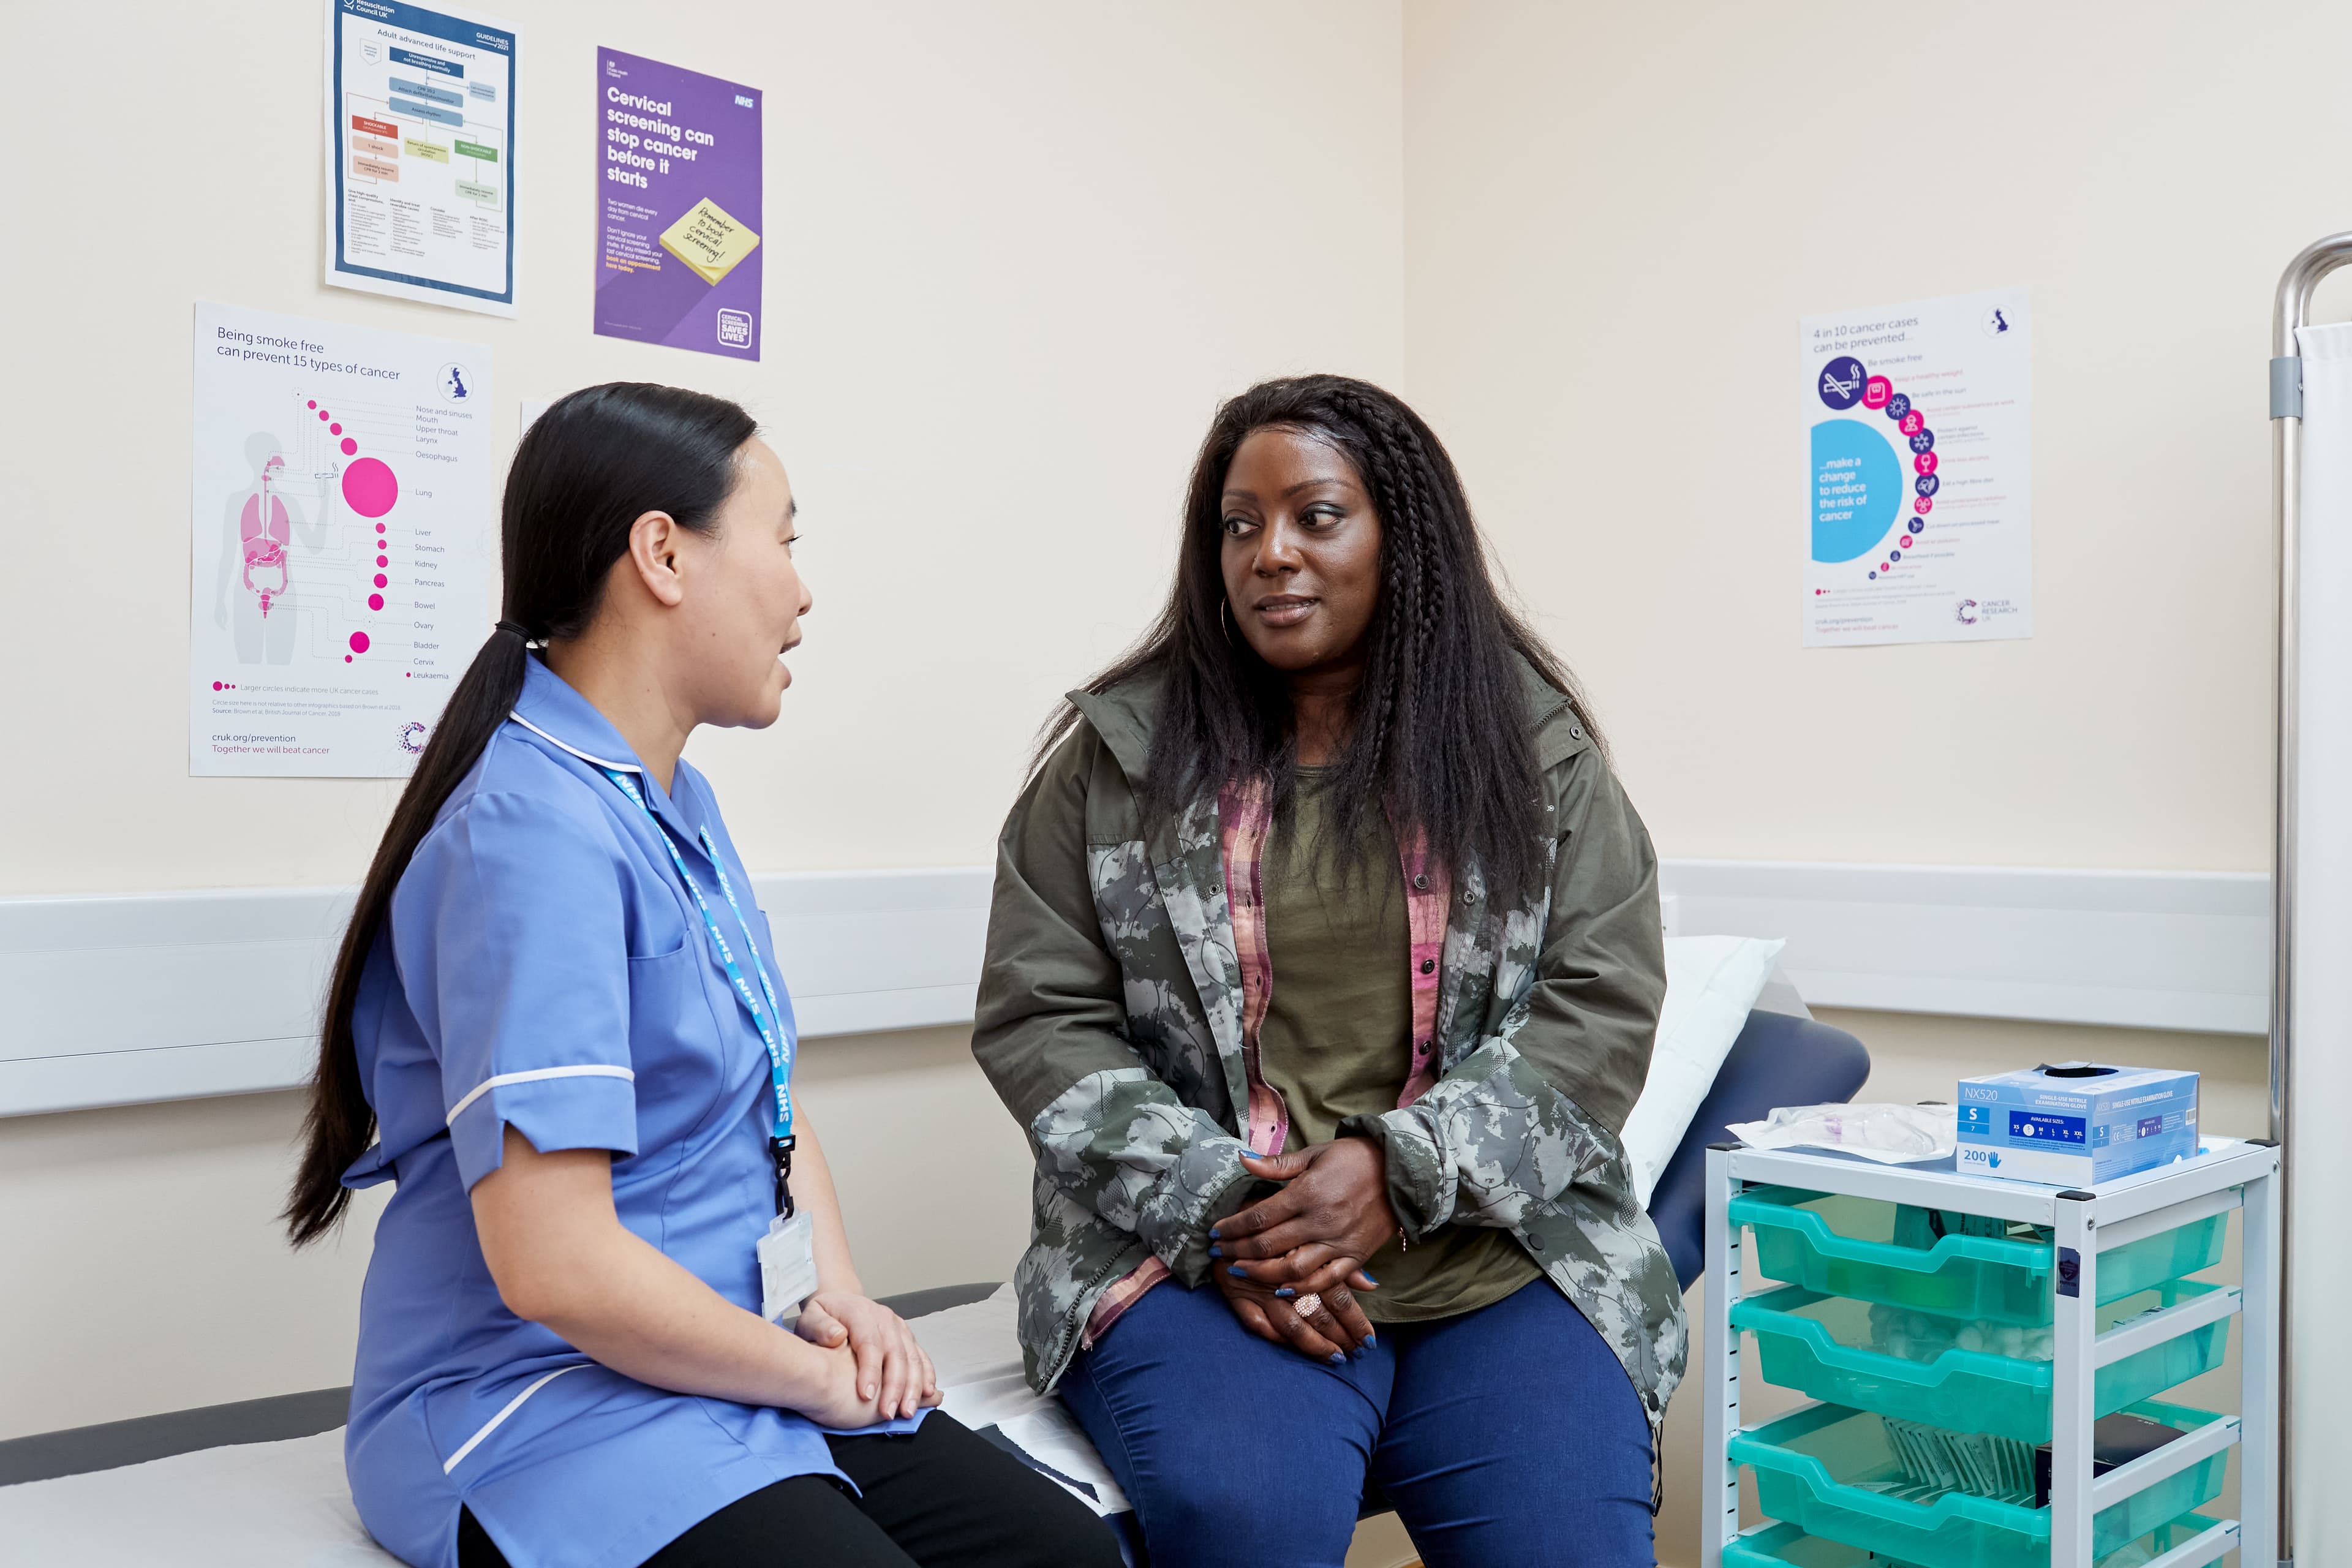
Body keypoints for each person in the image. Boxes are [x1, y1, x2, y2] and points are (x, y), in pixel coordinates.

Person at [283, 383, 1118, 1568]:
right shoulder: (528, 836)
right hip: (546, 1402)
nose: (803, 588)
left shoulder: (671, 800)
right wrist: (811, 1381)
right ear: (664, 556)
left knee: (1067, 1557)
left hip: (723, 1358)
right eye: (782, 540)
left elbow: (765, 1098)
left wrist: (844, 1303)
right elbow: (554, 1264)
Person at [974, 375, 1686, 1567]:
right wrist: (1228, 1205)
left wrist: (1397, 1168)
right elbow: (1043, 1018)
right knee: (1250, 1520)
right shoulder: (1115, 758)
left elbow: (1601, 1007)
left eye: (1316, 515)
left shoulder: (1532, 751)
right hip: (1210, 1262)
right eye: (1240, 524)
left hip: (1493, 1257)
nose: (1271, 555)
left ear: (1400, 538)